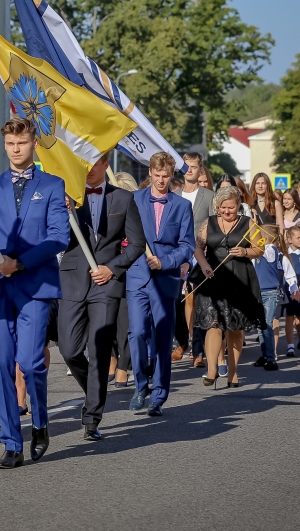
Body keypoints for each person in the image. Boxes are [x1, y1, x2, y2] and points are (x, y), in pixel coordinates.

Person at [0, 118, 68, 469]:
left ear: (34, 143)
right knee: (0, 365)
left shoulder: (52, 185)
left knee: (31, 363)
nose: (16, 149)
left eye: (22, 142)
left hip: (35, 285)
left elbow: (58, 235)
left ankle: (41, 421)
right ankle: (12, 442)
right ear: (4, 145)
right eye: (10, 143)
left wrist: (21, 263)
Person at [58, 155, 146, 440]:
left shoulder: (122, 199)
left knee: (98, 352)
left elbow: (136, 244)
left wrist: (113, 268)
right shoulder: (66, 197)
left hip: (106, 284)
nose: (88, 168)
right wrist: (61, 213)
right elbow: (55, 239)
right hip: (72, 281)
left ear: (105, 163)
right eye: (83, 163)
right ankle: (95, 389)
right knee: (69, 350)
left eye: (94, 162)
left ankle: (92, 415)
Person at [127, 153, 194, 415]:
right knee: (138, 332)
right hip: (137, 276)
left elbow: (187, 245)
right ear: (150, 173)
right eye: (157, 175)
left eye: (166, 175)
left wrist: (165, 261)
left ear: (172, 175)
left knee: (164, 338)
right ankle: (140, 384)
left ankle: (158, 394)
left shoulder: (181, 206)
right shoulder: (135, 199)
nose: (161, 180)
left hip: (165, 278)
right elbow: (123, 235)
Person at [194, 186, 264, 387]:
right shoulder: (209, 223)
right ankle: (212, 369)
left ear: (238, 206)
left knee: (234, 328)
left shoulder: (248, 223)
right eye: (223, 207)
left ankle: (233, 372)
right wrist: (204, 265)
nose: (226, 211)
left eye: (231, 208)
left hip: (239, 279)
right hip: (213, 277)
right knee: (212, 324)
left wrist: (245, 251)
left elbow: (260, 248)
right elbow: (198, 247)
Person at [173, 152, 214, 365]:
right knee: (175, 302)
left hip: (201, 255)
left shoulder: (208, 196)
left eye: (194, 166)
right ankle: (182, 341)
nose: (189, 170)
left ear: (200, 170)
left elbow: (213, 227)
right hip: (176, 256)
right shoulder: (174, 195)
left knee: (197, 302)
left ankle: (198, 350)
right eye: (185, 166)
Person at [253, 224, 297, 371]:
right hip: (258, 292)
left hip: (270, 293)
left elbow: (289, 273)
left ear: (264, 238)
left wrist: (293, 288)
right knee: (261, 325)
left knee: (267, 324)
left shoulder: (270, 251)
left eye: (258, 235)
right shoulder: (261, 252)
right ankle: (264, 354)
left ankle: (271, 358)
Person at [110, 172, 140, 383]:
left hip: (132, 268)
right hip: (109, 268)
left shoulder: (135, 208)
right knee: (107, 317)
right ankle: (111, 359)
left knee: (125, 320)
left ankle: (124, 365)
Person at [283, 225, 300, 356]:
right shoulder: (285, 254)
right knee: (289, 317)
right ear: (289, 239)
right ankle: (290, 346)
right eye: (298, 237)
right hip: (287, 289)